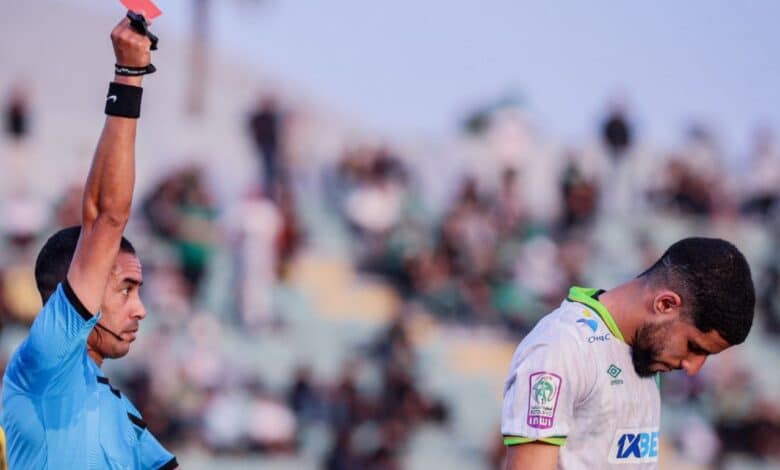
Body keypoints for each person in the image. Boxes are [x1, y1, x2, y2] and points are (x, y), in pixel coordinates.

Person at [0, 16, 178, 469]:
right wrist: (129, 76)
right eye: (125, 289)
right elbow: (104, 218)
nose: (140, 309)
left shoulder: (120, 412)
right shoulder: (46, 362)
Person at [501, 237, 755, 469]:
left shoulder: (644, 354)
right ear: (665, 304)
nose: (693, 367)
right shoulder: (562, 347)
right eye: (694, 347)